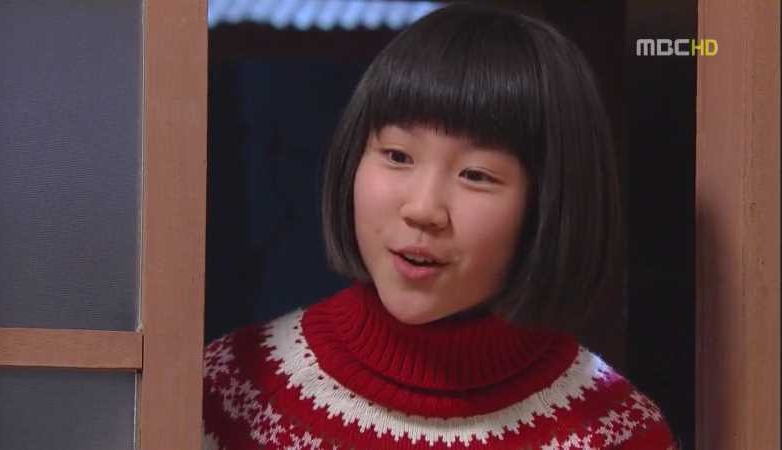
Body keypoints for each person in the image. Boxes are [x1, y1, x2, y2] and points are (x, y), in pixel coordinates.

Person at [202, 3, 678, 449]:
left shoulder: (616, 432)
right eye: (397, 155)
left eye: (476, 175)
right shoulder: (232, 389)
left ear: (550, 204)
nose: (423, 208)